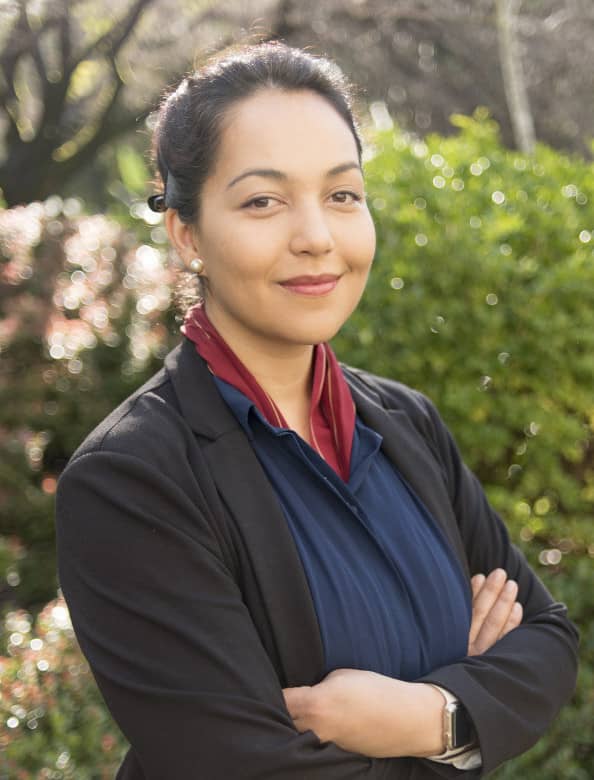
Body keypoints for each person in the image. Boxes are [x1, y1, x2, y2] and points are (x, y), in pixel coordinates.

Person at [54, 40, 578, 779]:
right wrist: (475, 706)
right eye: (263, 201)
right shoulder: (131, 479)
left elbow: (549, 643)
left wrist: (429, 718)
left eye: (342, 195)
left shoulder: (405, 423)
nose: (317, 238)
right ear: (187, 233)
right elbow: (250, 769)